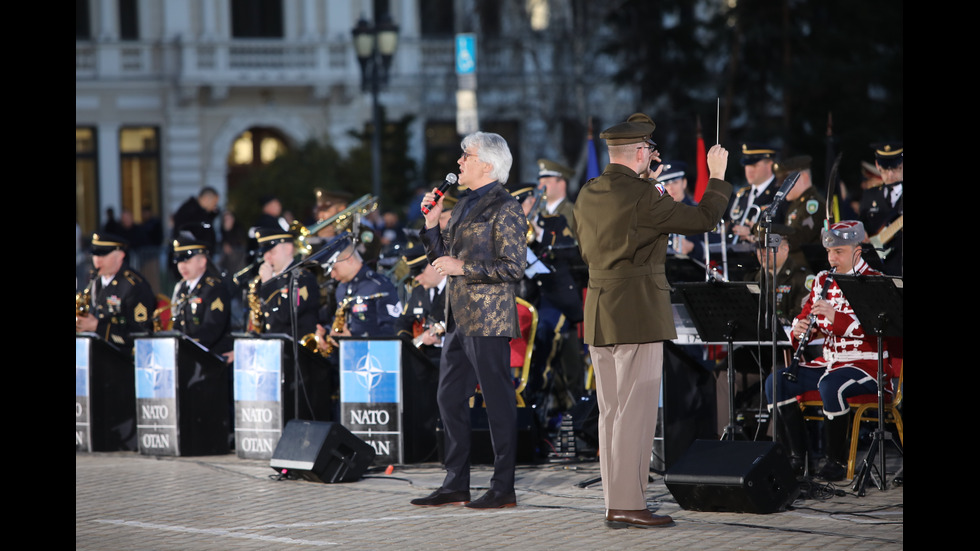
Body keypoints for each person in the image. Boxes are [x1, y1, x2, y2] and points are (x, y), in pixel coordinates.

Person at [573, 113, 733, 529]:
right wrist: (716, 177)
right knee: (636, 412)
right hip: (637, 311)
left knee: (611, 412)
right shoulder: (644, 197)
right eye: (650, 151)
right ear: (642, 153)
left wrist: (648, 182)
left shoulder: (589, 192)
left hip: (600, 310)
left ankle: (616, 500)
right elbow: (703, 219)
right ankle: (627, 503)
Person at [410, 131, 527, 510]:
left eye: (467, 155)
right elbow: (441, 259)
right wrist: (430, 225)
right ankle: (456, 483)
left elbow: (513, 268)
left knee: (497, 401)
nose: (459, 161)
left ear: (487, 165)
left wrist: (464, 266)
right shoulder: (461, 205)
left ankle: (503, 487)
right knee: (448, 396)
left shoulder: (505, 207)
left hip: (489, 317)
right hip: (458, 316)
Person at [763, 220, 888, 481]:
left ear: (857, 250)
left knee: (831, 385)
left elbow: (876, 329)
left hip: (866, 365)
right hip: (830, 362)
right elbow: (806, 315)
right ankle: (798, 458)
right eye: (829, 252)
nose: (832, 258)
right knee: (777, 383)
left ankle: (836, 461)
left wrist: (835, 316)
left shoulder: (874, 281)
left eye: (839, 252)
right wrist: (799, 328)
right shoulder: (822, 280)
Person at [718, 225, 815, 438]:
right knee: (726, 372)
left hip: (788, 351)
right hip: (758, 349)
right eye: (759, 248)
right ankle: (724, 437)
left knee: (778, 377)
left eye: (768, 247)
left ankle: (776, 442)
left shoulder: (803, 278)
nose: (762, 253)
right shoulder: (751, 278)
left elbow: (802, 319)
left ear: (785, 249)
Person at [75, 232, 157, 356]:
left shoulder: (134, 286)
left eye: (103, 254)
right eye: (95, 254)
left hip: (123, 358)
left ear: (120, 256)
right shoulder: (96, 281)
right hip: (99, 353)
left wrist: (97, 327)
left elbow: (140, 334)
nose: (97, 259)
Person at [317, 241, 401, 349]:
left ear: (349, 259)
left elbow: (393, 328)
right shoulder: (341, 288)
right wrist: (327, 332)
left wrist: (356, 340)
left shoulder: (379, 285)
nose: (332, 275)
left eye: (334, 268)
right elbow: (341, 320)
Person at [169, 227, 233, 358]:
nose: (181, 266)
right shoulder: (183, 287)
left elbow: (212, 328)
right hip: (188, 355)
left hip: (210, 358)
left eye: (187, 261)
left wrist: (185, 345)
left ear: (202, 261)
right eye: (179, 261)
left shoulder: (215, 288)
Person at [249, 226, 319, 338]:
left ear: (288, 249)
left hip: (295, 350)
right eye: (264, 253)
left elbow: (286, 315)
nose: (266, 258)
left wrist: (268, 284)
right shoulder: (269, 278)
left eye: (271, 251)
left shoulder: (303, 279)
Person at [395, 251, 448, 367]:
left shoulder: (456, 291)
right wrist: (410, 344)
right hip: (422, 359)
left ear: (433, 266)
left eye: (420, 271)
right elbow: (403, 321)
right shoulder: (418, 292)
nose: (417, 278)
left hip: (450, 360)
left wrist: (440, 342)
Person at [859, 142, 903, 276]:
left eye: (896, 169)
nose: (890, 175)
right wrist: (862, 233)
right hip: (876, 269)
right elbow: (861, 224)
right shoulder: (869, 195)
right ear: (878, 166)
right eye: (885, 169)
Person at [728, 143, 779, 247]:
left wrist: (753, 234)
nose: (749, 170)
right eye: (746, 165)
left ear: (769, 164)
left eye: (754, 165)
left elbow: (782, 229)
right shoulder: (742, 195)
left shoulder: (779, 193)